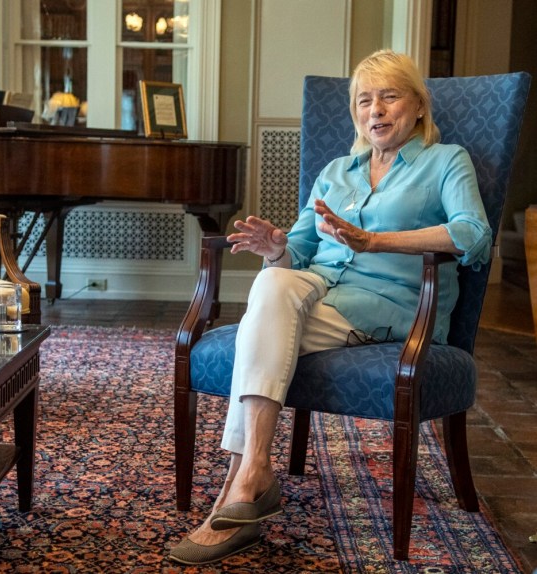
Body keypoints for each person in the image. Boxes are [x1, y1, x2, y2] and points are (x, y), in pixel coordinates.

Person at [169, 49, 492, 565]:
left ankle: (237, 491)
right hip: (318, 289)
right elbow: (298, 251)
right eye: (365, 100)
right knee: (273, 284)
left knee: (259, 330)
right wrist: (275, 245)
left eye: (389, 96)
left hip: (392, 304)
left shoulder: (445, 161)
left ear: (418, 105)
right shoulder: (337, 171)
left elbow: (473, 235)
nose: (376, 110)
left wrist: (376, 241)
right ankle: (253, 474)